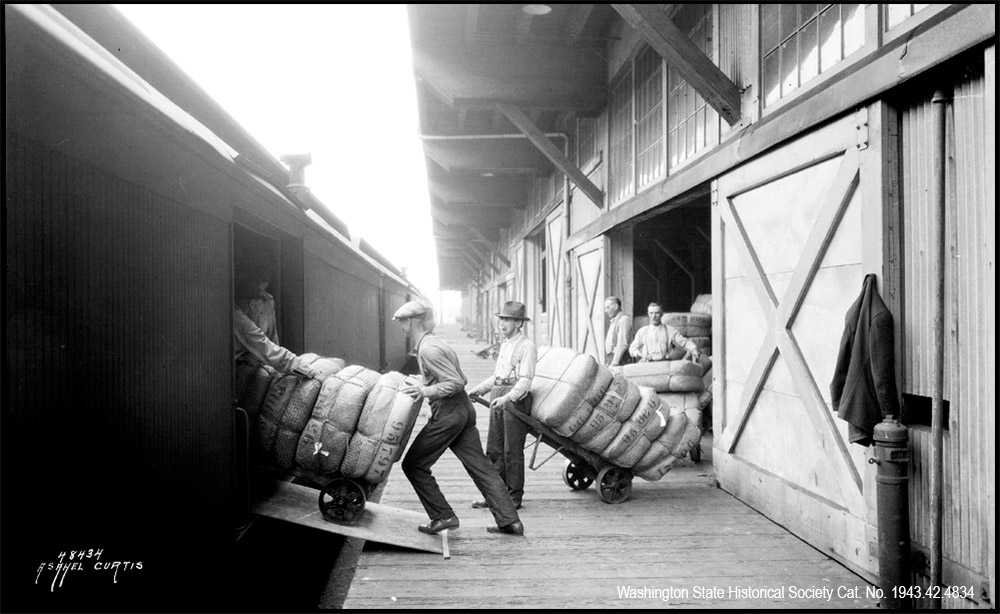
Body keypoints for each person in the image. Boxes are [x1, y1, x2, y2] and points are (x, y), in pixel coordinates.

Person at [395, 300, 524, 536]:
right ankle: (510, 521)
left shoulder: (428, 349)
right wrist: (424, 382)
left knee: (413, 465)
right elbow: (455, 377)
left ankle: (443, 516)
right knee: (482, 468)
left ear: (412, 321)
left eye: (402, 321)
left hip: (448, 414)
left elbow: (456, 382)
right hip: (463, 411)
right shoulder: (435, 342)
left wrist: (425, 391)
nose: (401, 326)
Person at [468, 301, 536, 510]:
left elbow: (525, 380)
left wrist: (508, 399)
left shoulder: (527, 346)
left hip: (515, 399)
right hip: (498, 394)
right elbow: (497, 376)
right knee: (494, 449)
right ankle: (495, 495)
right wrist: (479, 390)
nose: (502, 324)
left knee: (512, 451)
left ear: (518, 323)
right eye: (502, 320)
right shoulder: (505, 345)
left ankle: (514, 496)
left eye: (507, 320)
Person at [233, 268, 315, 378]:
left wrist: (278, 369)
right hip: (234, 367)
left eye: (264, 283)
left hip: (258, 362)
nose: (261, 288)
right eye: (257, 282)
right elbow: (255, 337)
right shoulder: (233, 312)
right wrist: (296, 365)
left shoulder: (266, 299)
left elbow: (272, 339)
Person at [628, 302, 702, 363]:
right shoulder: (642, 331)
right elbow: (632, 348)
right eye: (651, 313)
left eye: (656, 313)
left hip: (664, 364)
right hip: (647, 364)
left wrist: (693, 349)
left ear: (662, 314)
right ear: (648, 314)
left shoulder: (669, 330)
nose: (653, 316)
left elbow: (684, 342)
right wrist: (640, 355)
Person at [603, 296, 633, 367]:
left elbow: (622, 344)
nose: (606, 311)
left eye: (608, 307)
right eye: (605, 308)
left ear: (616, 306)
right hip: (613, 358)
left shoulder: (624, 320)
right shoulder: (615, 320)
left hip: (621, 359)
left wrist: (614, 363)